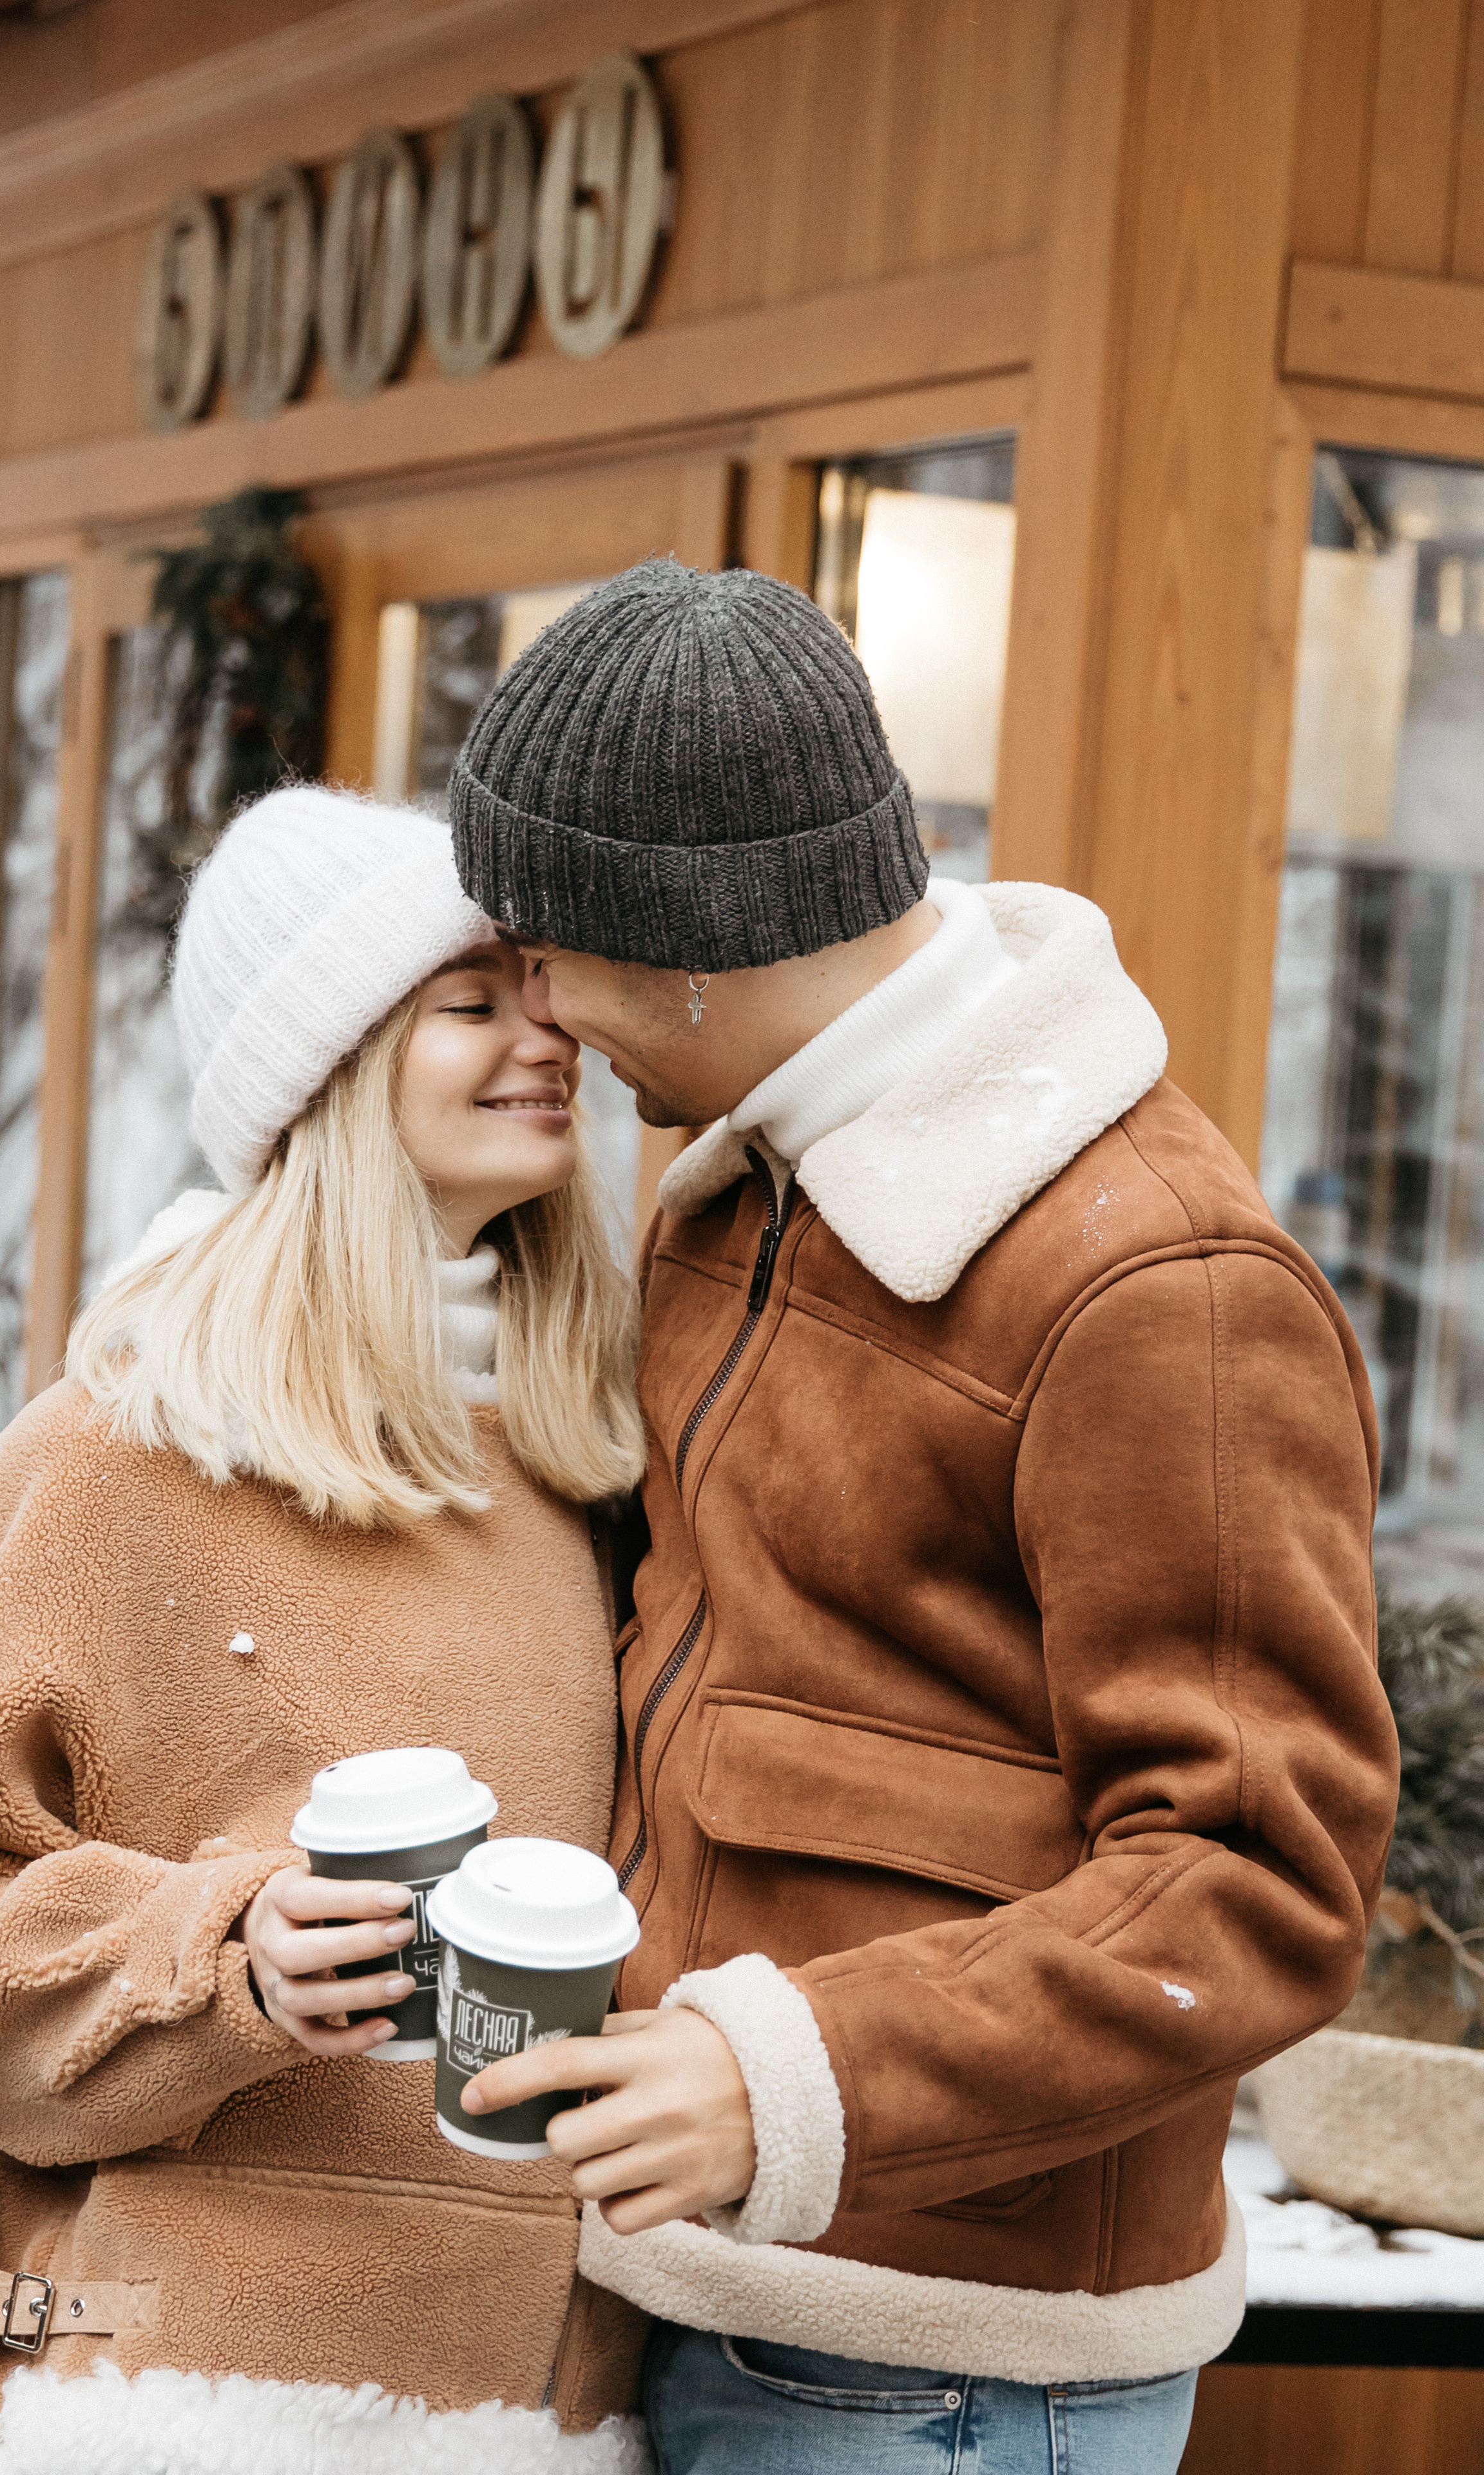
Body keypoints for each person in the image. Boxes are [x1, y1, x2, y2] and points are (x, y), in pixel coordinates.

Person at [444, 559, 1403, 2475]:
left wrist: (796, 2083)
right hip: (706, 2277)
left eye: (547, 953)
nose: (536, 1013)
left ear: (696, 942)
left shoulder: (1162, 1284)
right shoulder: (742, 1188)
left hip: (951, 2367)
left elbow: (1257, 1875)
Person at [0, 788, 651, 2475]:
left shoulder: (588, 1461)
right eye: (472, 1003)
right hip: (154, 2404)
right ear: (326, 1074)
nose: (548, 1036)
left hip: (531, 2413)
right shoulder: (116, 1455)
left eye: (545, 991)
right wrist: (225, 1957)